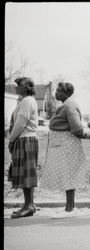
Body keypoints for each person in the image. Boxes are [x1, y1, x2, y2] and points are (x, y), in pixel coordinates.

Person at [40, 82, 90, 218]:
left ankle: (69, 210)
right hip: (63, 145)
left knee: (68, 175)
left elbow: (76, 127)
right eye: (56, 90)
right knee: (68, 175)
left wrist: (84, 134)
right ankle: (71, 207)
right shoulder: (66, 105)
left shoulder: (69, 106)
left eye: (59, 91)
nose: (56, 93)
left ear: (67, 93)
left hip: (67, 145)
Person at [8, 77, 39, 219]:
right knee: (27, 173)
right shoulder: (27, 100)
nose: (16, 87)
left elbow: (20, 124)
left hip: (25, 139)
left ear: (27, 87)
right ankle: (30, 205)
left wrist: (11, 140)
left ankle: (28, 206)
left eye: (19, 85)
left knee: (26, 174)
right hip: (27, 139)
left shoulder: (26, 101)